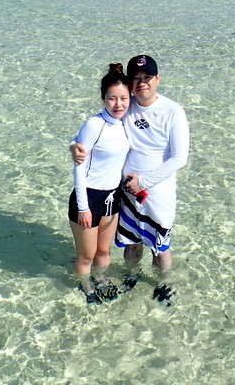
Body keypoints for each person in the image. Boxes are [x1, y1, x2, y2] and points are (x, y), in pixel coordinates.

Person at [72, 54, 189, 304]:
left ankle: (163, 283)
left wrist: (144, 182)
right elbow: (95, 129)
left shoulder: (173, 111)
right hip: (124, 194)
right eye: (136, 78)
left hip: (158, 194)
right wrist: (74, 145)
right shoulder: (126, 103)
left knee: (160, 246)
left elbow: (179, 158)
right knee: (131, 242)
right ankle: (131, 275)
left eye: (147, 77)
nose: (142, 83)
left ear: (158, 78)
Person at [69, 64, 132, 304]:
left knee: (104, 251)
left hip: (112, 197)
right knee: (86, 255)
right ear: (103, 98)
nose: (118, 104)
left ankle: (101, 277)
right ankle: (86, 285)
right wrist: (83, 207)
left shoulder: (127, 122)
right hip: (88, 196)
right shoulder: (95, 124)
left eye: (124, 98)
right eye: (112, 98)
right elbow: (79, 165)